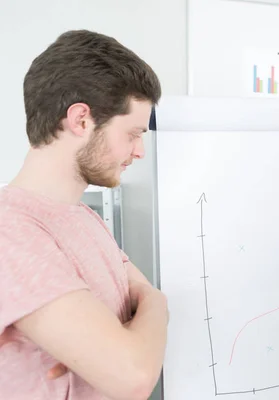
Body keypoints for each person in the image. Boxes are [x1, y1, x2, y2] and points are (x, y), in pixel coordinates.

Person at [0, 30, 168, 400]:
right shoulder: (10, 231)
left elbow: (130, 355)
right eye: (133, 134)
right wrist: (158, 305)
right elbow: (134, 376)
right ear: (80, 120)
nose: (139, 151)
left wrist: (136, 325)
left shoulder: (84, 219)